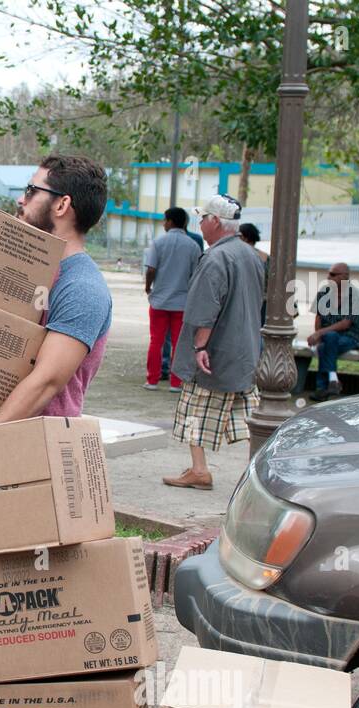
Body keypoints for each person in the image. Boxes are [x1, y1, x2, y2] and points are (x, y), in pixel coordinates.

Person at [0, 155, 112, 422]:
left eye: (32, 191)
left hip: (32, 449)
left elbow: (45, 384)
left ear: (62, 204)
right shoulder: (30, 272)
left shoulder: (82, 288)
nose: (21, 200)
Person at [163, 194, 263, 490]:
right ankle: (254, 474)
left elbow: (205, 308)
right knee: (247, 418)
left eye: (203, 217)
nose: (200, 223)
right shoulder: (251, 255)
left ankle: (199, 469)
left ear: (216, 221)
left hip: (214, 353)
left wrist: (199, 347)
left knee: (194, 412)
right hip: (244, 349)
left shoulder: (216, 257)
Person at [143, 207, 200, 392]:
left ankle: (152, 380)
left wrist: (148, 287)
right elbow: (196, 275)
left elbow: (151, 269)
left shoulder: (158, 243)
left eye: (165, 220)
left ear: (170, 221)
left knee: (156, 341)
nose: (163, 223)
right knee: (179, 343)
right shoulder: (193, 246)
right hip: (182, 303)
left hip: (159, 301)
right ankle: (176, 383)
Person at [307, 262, 359, 401]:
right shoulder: (324, 292)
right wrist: (319, 335)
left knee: (326, 345)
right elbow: (318, 317)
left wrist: (319, 334)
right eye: (328, 273)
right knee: (326, 343)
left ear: (345, 276)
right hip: (328, 337)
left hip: (349, 336)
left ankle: (322, 388)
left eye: (333, 274)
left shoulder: (355, 295)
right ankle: (332, 382)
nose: (328, 277)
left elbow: (346, 324)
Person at [238, 223, 269, 326]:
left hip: (245, 301)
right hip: (263, 301)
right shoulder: (265, 256)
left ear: (244, 237)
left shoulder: (239, 256)